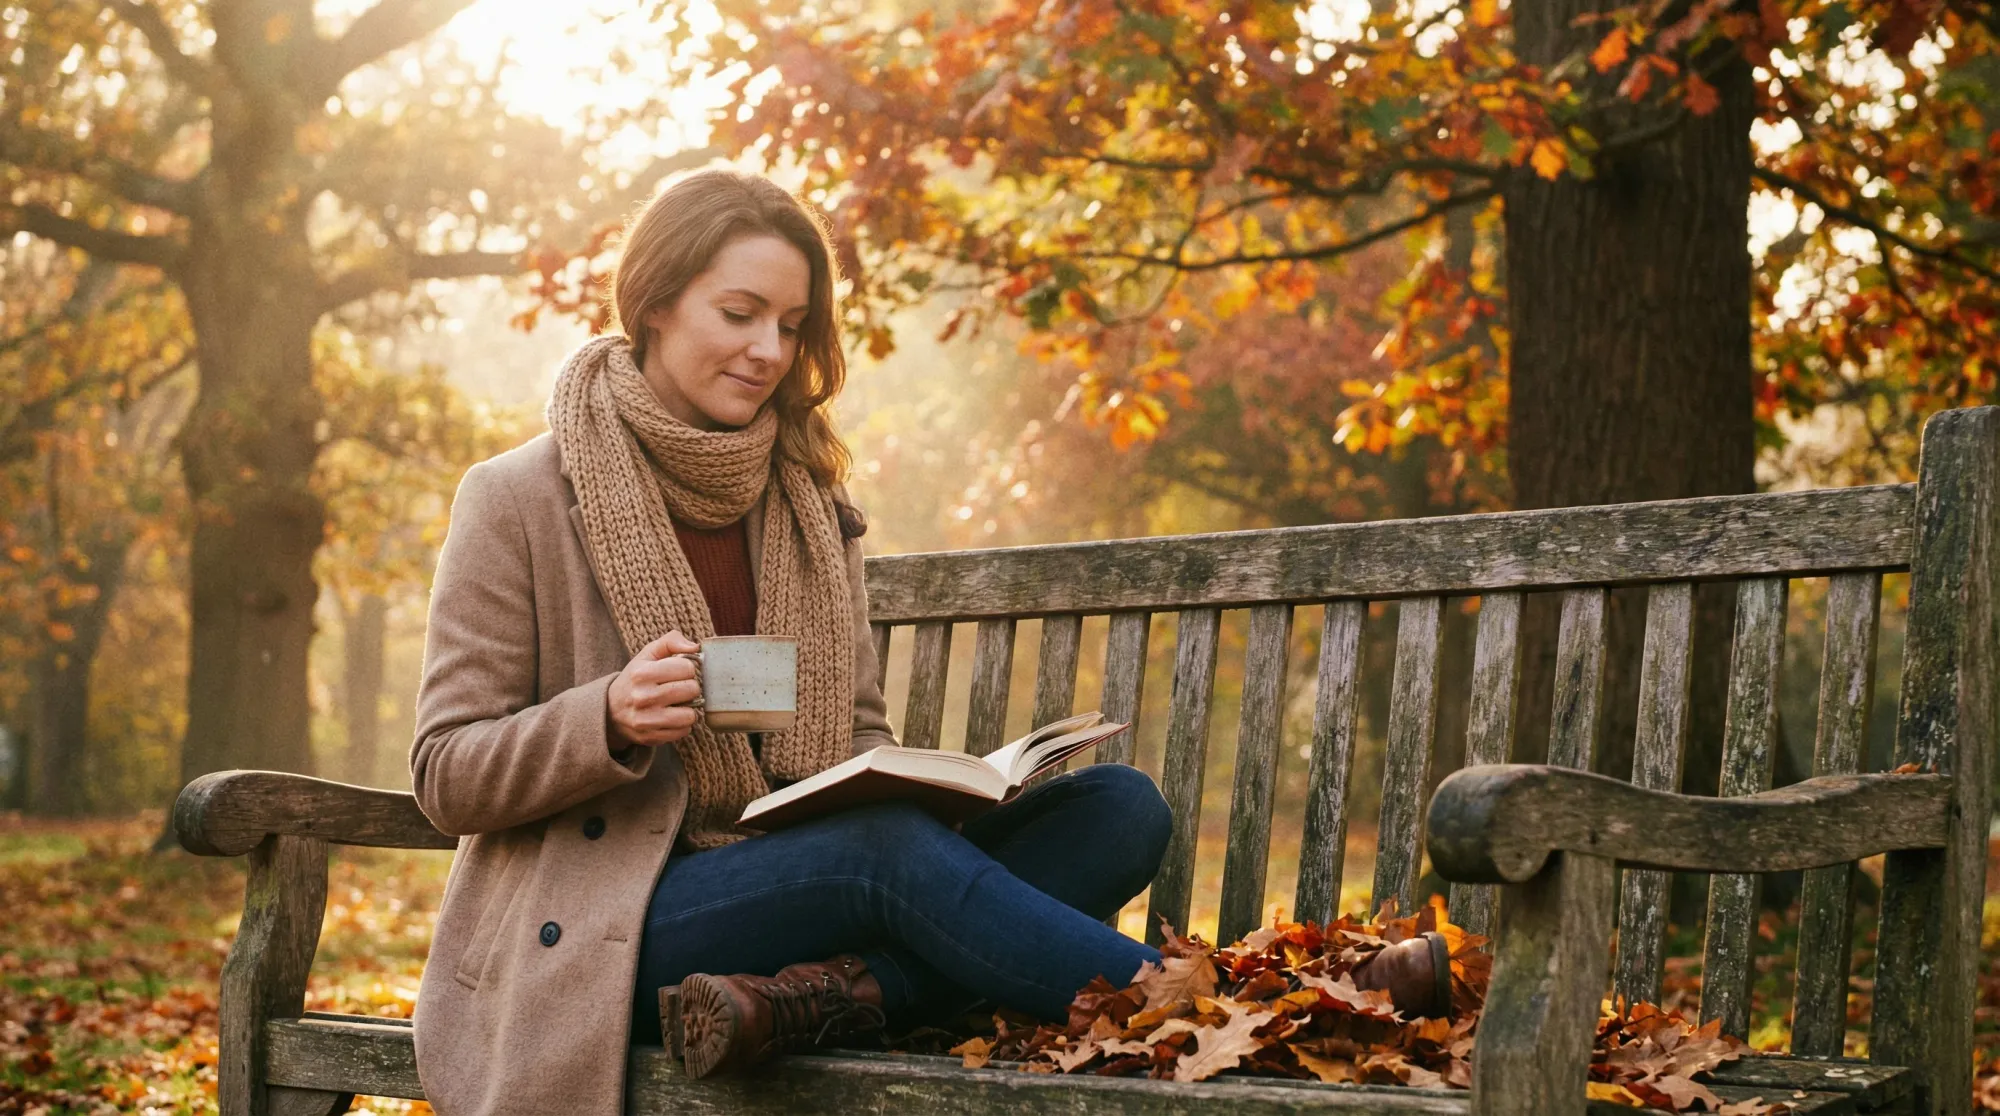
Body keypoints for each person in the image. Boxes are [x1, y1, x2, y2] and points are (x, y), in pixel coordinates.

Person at [406, 169, 1174, 1116]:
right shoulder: (517, 496)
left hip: (797, 882)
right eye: (739, 313)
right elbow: (445, 773)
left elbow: (853, 735)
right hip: (616, 924)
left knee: (1118, 808)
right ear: (652, 303)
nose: (769, 350)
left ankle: (828, 1000)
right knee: (879, 856)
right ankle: (1224, 1008)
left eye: (792, 324)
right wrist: (603, 717)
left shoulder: (812, 505)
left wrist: (927, 788)